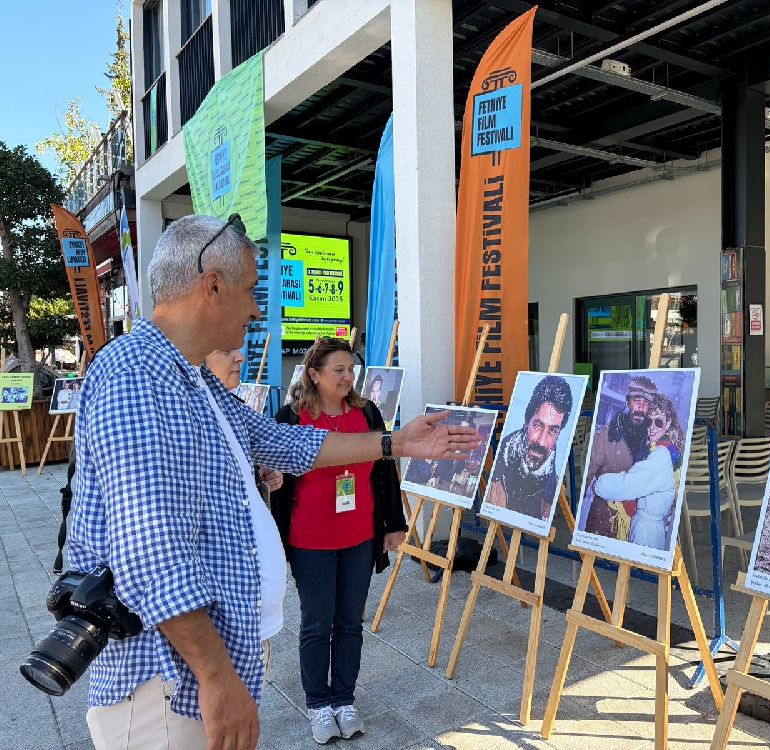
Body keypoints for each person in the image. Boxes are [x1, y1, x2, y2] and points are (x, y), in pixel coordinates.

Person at [65, 214, 481, 750]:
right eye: (249, 290)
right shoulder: (137, 376)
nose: (257, 309)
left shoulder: (187, 377)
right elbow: (152, 551)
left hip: (192, 673)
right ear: (211, 285)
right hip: (167, 682)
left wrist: (396, 443)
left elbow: (283, 442)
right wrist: (216, 678)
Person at [270, 338, 405, 744]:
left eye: (351, 370)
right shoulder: (291, 418)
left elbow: (385, 470)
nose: (348, 377)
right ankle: (318, 705)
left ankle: (344, 698)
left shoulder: (367, 412)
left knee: (350, 621)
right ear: (314, 374)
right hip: (309, 539)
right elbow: (275, 479)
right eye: (338, 370)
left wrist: (393, 524)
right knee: (316, 622)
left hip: (359, 535)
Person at [593, 394, 684, 550]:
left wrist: (599, 484)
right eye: (649, 421)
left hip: (647, 530)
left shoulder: (660, 455)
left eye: (659, 421)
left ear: (668, 424)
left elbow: (629, 485)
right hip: (651, 525)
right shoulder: (665, 449)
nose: (652, 427)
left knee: (642, 572)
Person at [486, 375, 575, 520]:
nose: (541, 442)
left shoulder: (552, 486)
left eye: (553, 430)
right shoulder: (499, 470)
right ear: (527, 421)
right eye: (538, 425)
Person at [206, 348, 283, 502]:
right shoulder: (188, 413)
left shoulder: (231, 407)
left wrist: (258, 473)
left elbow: (281, 440)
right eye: (226, 351)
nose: (240, 358)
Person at [583, 376, 656, 538]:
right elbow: (587, 476)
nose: (640, 407)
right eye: (637, 401)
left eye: (646, 404)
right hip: (605, 521)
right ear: (628, 402)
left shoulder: (653, 441)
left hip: (638, 523)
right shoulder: (606, 436)